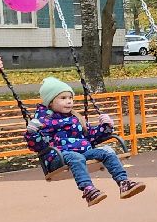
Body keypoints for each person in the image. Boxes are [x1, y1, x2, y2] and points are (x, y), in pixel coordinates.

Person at [24, 77, 145, 205]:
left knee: (106, 151)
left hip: (83, 153)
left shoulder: (75, 118)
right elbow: (39, 146)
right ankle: (89, 190)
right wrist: (32, 133)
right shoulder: (43, 122)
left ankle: (124, 183)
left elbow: (91, 136)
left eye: (70, 98)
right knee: (76, 157)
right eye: (63, 98)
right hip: (58, 158)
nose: (69, 101)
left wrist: (106, 126)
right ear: (50, 102)